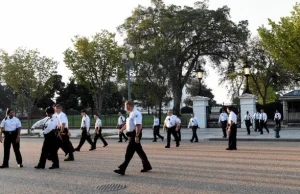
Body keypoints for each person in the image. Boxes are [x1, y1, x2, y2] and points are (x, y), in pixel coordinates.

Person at [114, 101, 152, 175]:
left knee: (129, 153)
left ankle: (122, 169)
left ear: (129, 105)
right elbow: (127, 124)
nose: (125, 107)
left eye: (125, 106)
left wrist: (137, 136)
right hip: (131, 135)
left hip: (134, 135)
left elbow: (138, 125)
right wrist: (122, 129)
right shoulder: (130, 113)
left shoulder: (136, 113)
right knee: (140, 151)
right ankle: (147, 166)